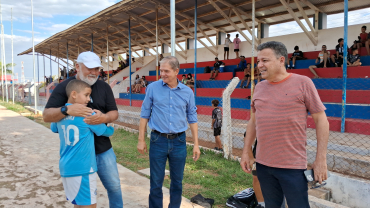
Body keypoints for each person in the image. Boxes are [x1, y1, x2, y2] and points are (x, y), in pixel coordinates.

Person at [240, 41, 329, 208]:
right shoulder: (259, 87)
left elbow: (321, 120)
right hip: (264, 165)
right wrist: (247, 152)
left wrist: (321, 159)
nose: (259, 65)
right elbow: (253, 120)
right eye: (258, 61)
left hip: (292, 166)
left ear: (281, 60)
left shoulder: (303, 83)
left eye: (264, 61)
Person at [43, 51, 123, 208]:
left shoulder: (104, 87)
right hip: (78, 156)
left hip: (103, 150)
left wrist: (104, 118)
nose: (94, 73)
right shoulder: (64, 87)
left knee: (114, 187)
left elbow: (114, 113)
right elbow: (46, 116)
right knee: (82, 199)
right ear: (77, 67)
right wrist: (66, 111)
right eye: (90, 68)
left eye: (97, 69)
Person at [137, 56, 200, 208]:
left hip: (179, 142)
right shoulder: (152, 88)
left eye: (166, 71)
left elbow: (192, 117)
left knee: (177, 182)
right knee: (156, 182)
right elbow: (144, 114)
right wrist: (141, 139)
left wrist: (196, 144)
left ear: (176, 71)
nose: (162, 74)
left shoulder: (187, 92)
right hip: (158, 140)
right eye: (161, 70)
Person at [50, 79, 115, 208]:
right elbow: (105, 132)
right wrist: (110, 124)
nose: (89, 99)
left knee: (78, 203)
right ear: (74, 94)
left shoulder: (61, 113)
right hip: (84, 168)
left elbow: (53, 128)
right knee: (89, 204)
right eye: (86, 95)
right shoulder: (87, 113)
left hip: (66, 167)